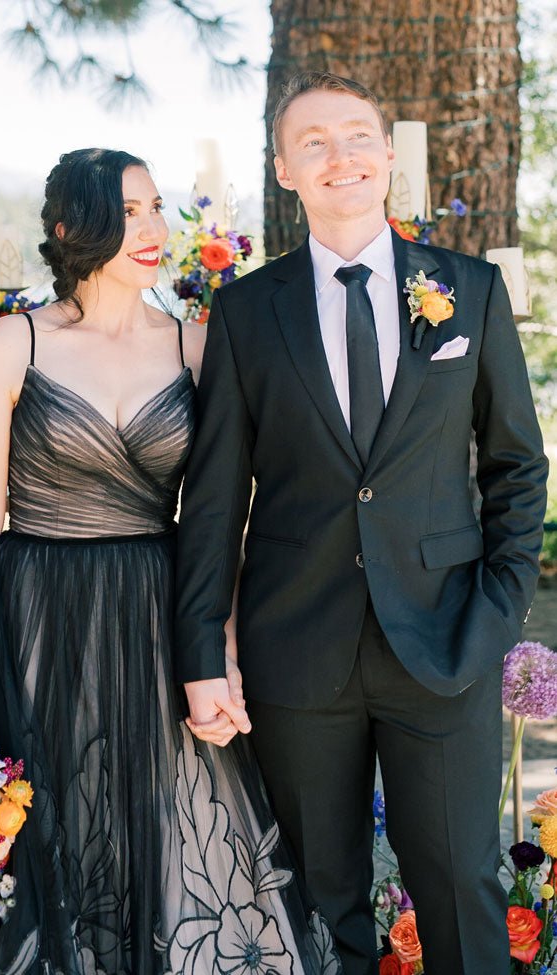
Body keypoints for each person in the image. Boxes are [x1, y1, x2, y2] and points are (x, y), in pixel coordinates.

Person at [0, 148, 340, 974]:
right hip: (34, 618)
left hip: (156, 613)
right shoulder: (12, 343)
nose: (153, 229)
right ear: (72, 227)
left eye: (156, 208)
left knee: (170, 840)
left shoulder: (198, 348)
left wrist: (223, 649)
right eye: (128, 211)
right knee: (41, 833)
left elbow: (224, 519)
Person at [175, 72, 549, 975]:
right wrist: (201, 651)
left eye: (355, 135)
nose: (337, 155)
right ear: (283, 170)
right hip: (297, 648)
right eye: (312, 142)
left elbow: (516, 467)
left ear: (386, 154)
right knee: (316, 898)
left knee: (461, 886)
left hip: (446, 640)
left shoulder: (469, 290)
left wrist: (498, 607)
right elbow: (215, 497)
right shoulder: (247, 310)